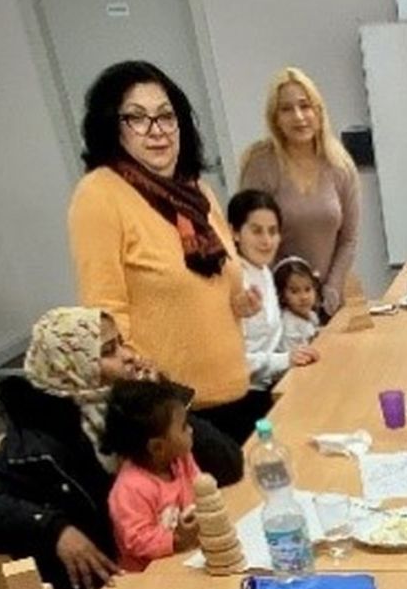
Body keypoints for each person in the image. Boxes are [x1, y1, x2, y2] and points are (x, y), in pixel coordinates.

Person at [0, 307, 243, 589]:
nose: (130, 356)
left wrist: (161, 401)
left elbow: (229, 465)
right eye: (108, 351)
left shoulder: (126, 410)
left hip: (175, 560)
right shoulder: (39, 444)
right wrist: (53, 529)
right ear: (71, 368)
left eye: (121, 343)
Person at [69, 60, 265, 443]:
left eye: (165, 116)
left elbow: (212, 284)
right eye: (137, 119)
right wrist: (141, 397)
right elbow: (104, 313)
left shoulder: (196, 192)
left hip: (232, 391)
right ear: (113, 126)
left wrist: (238, 303)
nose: (156, 131)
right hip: (169, 413)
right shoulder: (99, 195)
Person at [237, 69, 361, 318]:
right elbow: (250, 238)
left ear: (318, 111)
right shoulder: (261, 164)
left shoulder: (340, 164)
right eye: (286, 109)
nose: (299, 117)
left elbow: (348, 238)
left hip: (331, 300)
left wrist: (331, 290)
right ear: (275, 118)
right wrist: (284, 297)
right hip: (280, 303)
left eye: (305, 106)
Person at [228, 189, 319, 390]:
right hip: (245, 393)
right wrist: (284, 360)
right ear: (234, 232)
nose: (267, 241)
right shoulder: (231, 278)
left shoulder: (265, 273)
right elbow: (232, 360)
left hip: (274, 382)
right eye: (257, 231)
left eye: (273, 231)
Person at [104, 378, 200, 569]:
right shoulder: (130, 489)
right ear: (157, 447)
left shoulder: (181, 458)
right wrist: (177, 539)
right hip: (150, 575)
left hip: (189, 556)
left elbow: (200, 488)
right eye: (183, 427)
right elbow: (135, 540)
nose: (191, 430)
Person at [276, 256, 323, 352]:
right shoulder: (287, 325)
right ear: (282, 296)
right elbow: (293, 356)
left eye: (308, 289)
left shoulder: (311, 315)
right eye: (294, 291)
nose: (304, 297)